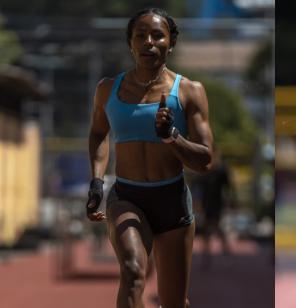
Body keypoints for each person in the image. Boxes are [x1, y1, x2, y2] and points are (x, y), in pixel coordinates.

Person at [86, 8, 213, 308]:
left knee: (173, 302)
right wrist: (96, 181)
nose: (149, 42)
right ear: (130, 43)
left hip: (172, 202)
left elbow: (205, 160)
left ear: (171, 43)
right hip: (127, 197)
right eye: (140, 36)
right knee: (132, 272)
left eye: (158, 35)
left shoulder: (190, 92)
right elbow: (97, 134)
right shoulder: (107, 90)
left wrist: (172, 136)